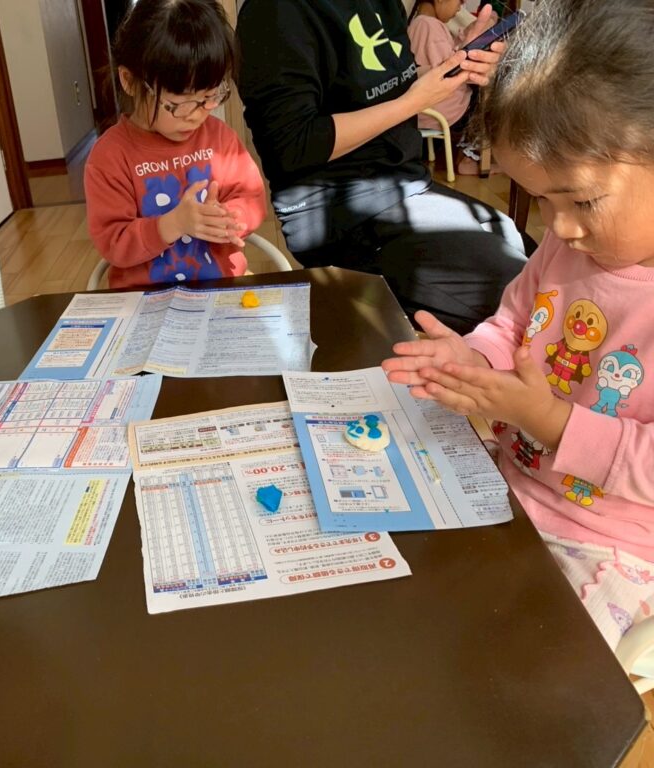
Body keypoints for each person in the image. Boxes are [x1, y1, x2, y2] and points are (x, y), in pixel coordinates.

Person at [383, 0, 654, 650]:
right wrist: (476, 360)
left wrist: (551, 421)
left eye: (581, 200)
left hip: (609, 543)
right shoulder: (568, 245)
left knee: (528, 661)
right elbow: (513, 324)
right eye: (542, 200)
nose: (557, 228)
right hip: (508, 483)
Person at [236, 0, 527, 334]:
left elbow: (383, 91)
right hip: (340, 214)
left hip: (408, 185)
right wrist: (414, 102)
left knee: (537, 265)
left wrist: (456, 64)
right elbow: (293, 145)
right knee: (525, 300)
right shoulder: (274, 12)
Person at [85, 0, 266, 289]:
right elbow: (113, 241)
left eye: (208, 97)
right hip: (143, 300)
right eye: (178, 104)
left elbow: (251, 197)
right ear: (129, 80)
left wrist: (230, 217)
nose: (196, 115)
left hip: (219, 292)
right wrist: (172, 225)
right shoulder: (110, 157)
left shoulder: (219, 138)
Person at [408, 0, 492, 175]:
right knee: (488, 97)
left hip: (425, 109)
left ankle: (470, 155)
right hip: (439, 109)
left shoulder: (419, 24)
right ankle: (470, 158)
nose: (460, 6)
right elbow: (450, 70)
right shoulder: (429, 26)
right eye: (459, 1)